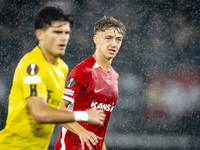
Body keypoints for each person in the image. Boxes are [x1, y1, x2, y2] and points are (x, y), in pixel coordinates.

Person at [0, 6, 106, 150]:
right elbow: (39, 114)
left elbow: (59, 113)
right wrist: (84, 115)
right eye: (57, 32)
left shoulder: (61, 68)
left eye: (66, 33)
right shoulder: (33, 65)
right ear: (40, 34)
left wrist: (84, 132)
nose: (63, 37)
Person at [54, 16, 126, 150]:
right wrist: (82, 132)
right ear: (96, 40)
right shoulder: (83, 70)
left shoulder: (115, 76)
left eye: (118, 39)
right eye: (108, 38)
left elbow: (100, 129)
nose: (114, 44)